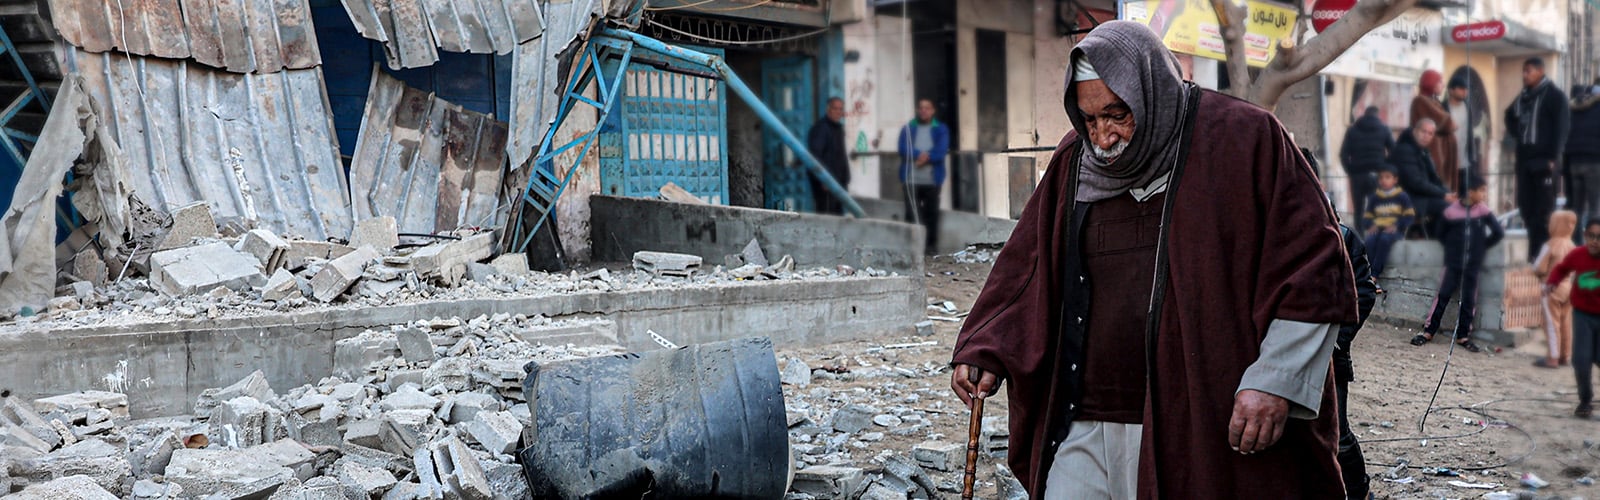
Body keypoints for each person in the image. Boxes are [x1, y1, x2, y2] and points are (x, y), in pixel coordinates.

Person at [949, 21, 1356, 499]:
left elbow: (1313, 270)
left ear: (1151, 90)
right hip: (1083, 418)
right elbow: (1026, 269)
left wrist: (1277, 381)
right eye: (1089, 120)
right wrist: (988, 347)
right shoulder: (1075, 162)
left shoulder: (1243, 141)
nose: (1102, 138)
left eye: (1116, 115)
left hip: (1199, 424)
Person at [1411, 176, 1503, 352]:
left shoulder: (1483, 211)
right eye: (1481, 190)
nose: (1484, 194)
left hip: (1473, 264)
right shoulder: (1451, 211)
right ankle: (1429, 331)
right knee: (1443, 295)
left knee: (1469, 298)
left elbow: (1497, 232)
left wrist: (1481, 247)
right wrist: (1452, 249)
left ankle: (1463, 335)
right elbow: (1440, 233)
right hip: (1452, 262)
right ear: (1470, 191)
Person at [1507, 57, 1571, 263]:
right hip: (1525, 161)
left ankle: (1541, 257)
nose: (1525, 76)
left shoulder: (1554, 96)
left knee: (1543, 212)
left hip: (1545, 161)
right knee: (1526, 207)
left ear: (1540, 71)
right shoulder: (1524, 97)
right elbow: (1509, 115)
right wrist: (1519, 134)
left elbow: (1562, 128)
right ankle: (1533, 254)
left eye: (1529, 71)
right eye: (1523, 72)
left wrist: (1554, 157)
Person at [1544, 218, 1600, 419]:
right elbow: (1561, 268)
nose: (1595, 241)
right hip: (1583, 315)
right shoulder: (1578, 255)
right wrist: (1552, 281)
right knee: (1581, 360)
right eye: (1591, 236)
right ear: (1585, 236)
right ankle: (1585, 401)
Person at [897, 99, 949, 254]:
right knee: (911, 214)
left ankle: (930, 248)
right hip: (911, 180)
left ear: (932, 110)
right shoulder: (909, 128)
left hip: (932, 180)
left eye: (927, 108)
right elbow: (902, 148)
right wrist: (919, 155)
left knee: (931, 215)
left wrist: (927, 158)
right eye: (921, 108)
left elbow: (941, 151)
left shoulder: (940, 129)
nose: (923, 111)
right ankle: (911, 248)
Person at [1391, 118, 1456, 237]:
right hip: (1409, 199)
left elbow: (1435, 180)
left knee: (1456, 205)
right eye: (1423, 131)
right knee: (1447, 208)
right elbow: (1415, 182)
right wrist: (1443, 195)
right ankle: (1438, 240)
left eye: (1430, 133)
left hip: (1421, 197)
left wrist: (1448, 194)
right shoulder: (1404, 150)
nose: (1426, 136)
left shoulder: (1423, 152)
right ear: (1415, 131)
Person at [1535, 210, 1579, 368]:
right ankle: (1565, 356)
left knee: (1551, 324)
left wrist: (1540, 275)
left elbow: (1539, 267)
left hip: (1551, 288)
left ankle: (1552, 357)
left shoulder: (1550, 245)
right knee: (1566, 322)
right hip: (1569, 287)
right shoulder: (1572, 245)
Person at [1341, 106, 1396, 216]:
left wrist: (1351, 171)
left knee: (1358, 209)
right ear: (1377, 115)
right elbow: (1394, 151)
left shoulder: (1353, 130)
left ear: (1364, 114)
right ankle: (1377, 232)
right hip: (1377, 174)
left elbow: (1344, 154)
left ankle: (1359, 232)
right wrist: (1385, 168)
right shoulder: (1384, 129)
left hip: (1357, 174)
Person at [1412, 69, 1461, 193]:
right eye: (1439, 82)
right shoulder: (1421, 101)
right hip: (1434, 152)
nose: (1443, 85)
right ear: (1431, 83)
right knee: (1438, 188)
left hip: (1443, 153)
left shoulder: (1433, 101)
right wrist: (1450, 124)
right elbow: (1446, 122)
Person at [1362, 165, 1414, 278]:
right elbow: (1367, 217)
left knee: (1384, 240)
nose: (1383, 180)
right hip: (1378, 229)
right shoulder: (1375, 198)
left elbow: (1409, 216)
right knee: (1369, 241)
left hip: (1395, 231)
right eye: (1381, 178)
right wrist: (1371, 225)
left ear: (1395, 179)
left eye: (1387, 177)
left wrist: (1397, 225)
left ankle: (1375, 273)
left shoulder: (1402, 197)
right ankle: (1370, 270)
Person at [807, 97, 851, 215]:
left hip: (839, 183)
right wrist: (823, 179)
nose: (838, 112)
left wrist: (846, 177)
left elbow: (840, 155)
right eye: (835, 108)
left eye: (840, 109)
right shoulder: (821, 128)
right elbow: (815, 155)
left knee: (838, 217)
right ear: (828, 110)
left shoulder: (838, 129)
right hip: (826, 184)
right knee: (827, 216)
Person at [1443, 72, 1488, 184]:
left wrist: (1472, 157)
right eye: (1461, 88)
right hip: (1448, 162)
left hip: (1466, 162)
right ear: (1451, 90)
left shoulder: (1468, 108)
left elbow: (1469, 134)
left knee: (1465, 197)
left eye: (1466, 89)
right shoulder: (1442, 107)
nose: (1465, 91)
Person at [1567, 86, 1600, 233]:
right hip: (1594, 162)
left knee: (1577, 208)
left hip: (1574, 163)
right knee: (1594, 207)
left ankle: (1576, 243)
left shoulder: (1574, 108)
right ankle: (1593, 246)